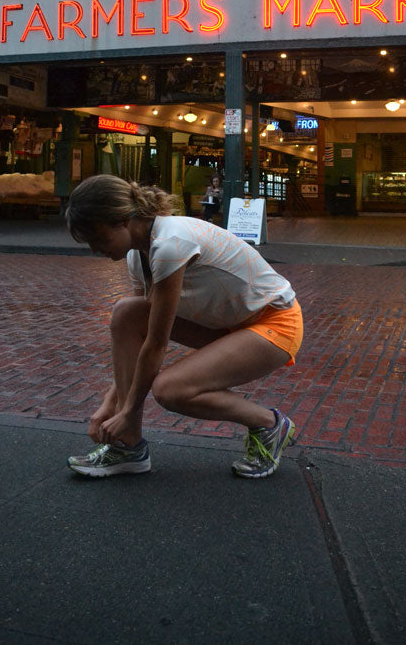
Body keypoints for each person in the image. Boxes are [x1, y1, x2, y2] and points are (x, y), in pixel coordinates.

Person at [65, 174, 303, 480]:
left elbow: (155, 345)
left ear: (123, 221)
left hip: (275, 323)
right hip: (229, 325)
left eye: (98, 239)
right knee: (127, 313)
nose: (95, 249)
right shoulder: (138, 256)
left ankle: (269, 423)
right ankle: (129, 448)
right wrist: (110, 405)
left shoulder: (170, 244)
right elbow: (139, 339)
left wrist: (125, 412)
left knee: (170, 389)